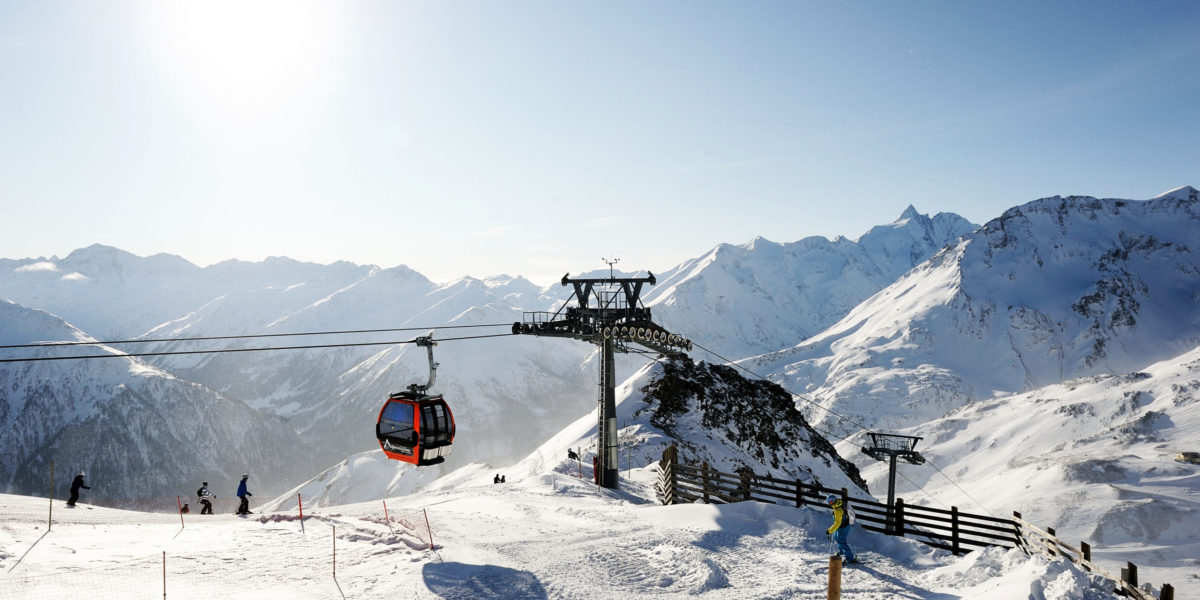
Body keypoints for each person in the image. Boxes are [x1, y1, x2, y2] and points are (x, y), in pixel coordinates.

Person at [826, 494, 858, 563]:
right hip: (842, 525)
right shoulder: (838, 504)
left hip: (844, 526)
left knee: (841, 540)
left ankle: (850, 558)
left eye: (831, 501)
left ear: (834, 500)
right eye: (828, 502)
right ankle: (842, 552)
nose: (830, 503)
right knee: (837, 537)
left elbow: (837, 523)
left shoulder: (838, 509)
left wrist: (829, 531)